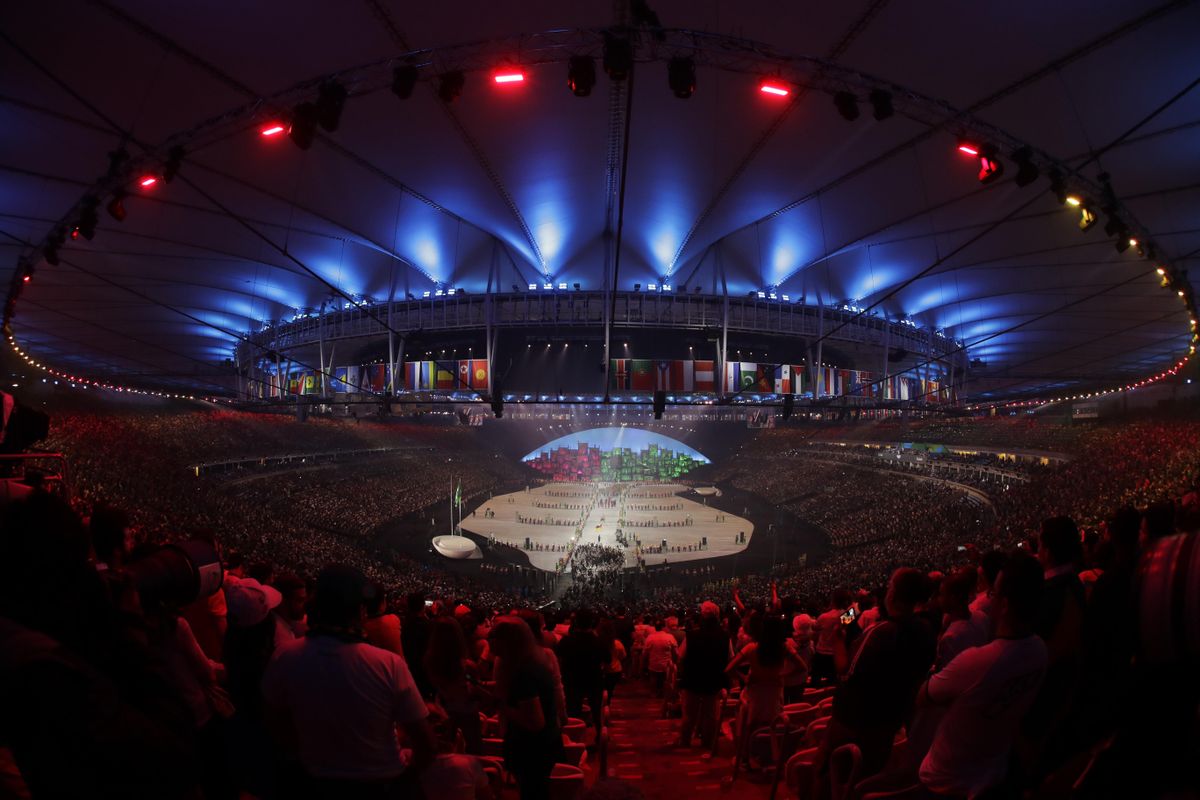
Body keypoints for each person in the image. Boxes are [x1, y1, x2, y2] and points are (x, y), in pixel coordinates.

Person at [262, 564, 435, 796]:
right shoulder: (388, 664)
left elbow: (276, 727)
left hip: (314, 783)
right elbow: (427, 746)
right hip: (382, 784)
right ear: (361, 611)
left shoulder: (284, 656)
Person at [916, 551, 1048, 799]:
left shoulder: (977, 662)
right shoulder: (1040, 651)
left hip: (947, 779)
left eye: (994, 593)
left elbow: (923, 696)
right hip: (993, 771)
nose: (989, 597)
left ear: (1006, 604)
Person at [815, 568, 936, 793]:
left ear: (895, 596)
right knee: (864, 780)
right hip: (888, 723)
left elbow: (845, 672)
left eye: (891, 586)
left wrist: (838, 641)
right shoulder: (925, 629)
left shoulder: (880, 631)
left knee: (827, 775)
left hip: (854, 720)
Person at [489, 616, 562, 800]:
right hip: (541, 747)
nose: (490, 642)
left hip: (533, 750)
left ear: (508, 642)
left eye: (495, 638)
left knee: (533, 792)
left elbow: (535, 722)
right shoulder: (534, 664)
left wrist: (500, 705)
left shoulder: (524, 673)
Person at [726, 614, 807, 755]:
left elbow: (728, 669)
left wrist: (744, 678)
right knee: (772, 722)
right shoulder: (784, 647)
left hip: (755, 692)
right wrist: (782, 675)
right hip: (775, 691)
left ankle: (745, 757)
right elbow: (802, 667)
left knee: (749, 723)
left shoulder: (752, 648)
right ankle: (769, 753)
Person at [424, 616, 483, 754]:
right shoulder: (467, 666)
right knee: (473, 752)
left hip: (443, 712)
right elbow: (475, 690)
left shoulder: (428, 661)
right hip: (468, 715)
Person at [677, 601, 732, 748]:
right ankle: (708, 742)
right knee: (711, 716)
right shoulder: (725, 636)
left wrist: (681, 675)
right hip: (714, 680)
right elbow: (730, 658)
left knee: (689, 715)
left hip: (692, 679)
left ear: (702, 616)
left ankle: (685, 742)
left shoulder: (692, 635)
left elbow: (681, 657)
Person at [556, 609, 606, 729]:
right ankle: (598, 735)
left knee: (573, 711)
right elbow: (608, 660)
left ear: (576, 623)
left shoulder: (566, 641)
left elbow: (559, 659)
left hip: (572, 680)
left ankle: (574, 736)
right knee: (596, 710)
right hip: (594, 679)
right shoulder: (598, 641)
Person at [934, 568, 989, 672]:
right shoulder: (982, 616)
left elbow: (942, 670)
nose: (938, 599)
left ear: (953, 598)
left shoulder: (950, 637)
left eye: (941, 594)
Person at [811, 588, 851, 686]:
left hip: (821, 653)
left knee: (816, 683)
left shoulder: (824, 616)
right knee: (833, 684)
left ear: (833, 600)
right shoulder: (848, 615)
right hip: (837, 654)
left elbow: (815, 627)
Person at [643, 619, 678, 696]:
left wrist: (644, 663)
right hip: (666, 665)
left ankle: (654, 694)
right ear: (663, 627)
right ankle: (664, 695)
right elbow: (675, 652)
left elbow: (645, 653)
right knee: (665, 680)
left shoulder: (650, 637)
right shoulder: (669, 637)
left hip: (653, 664)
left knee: (653, 680)